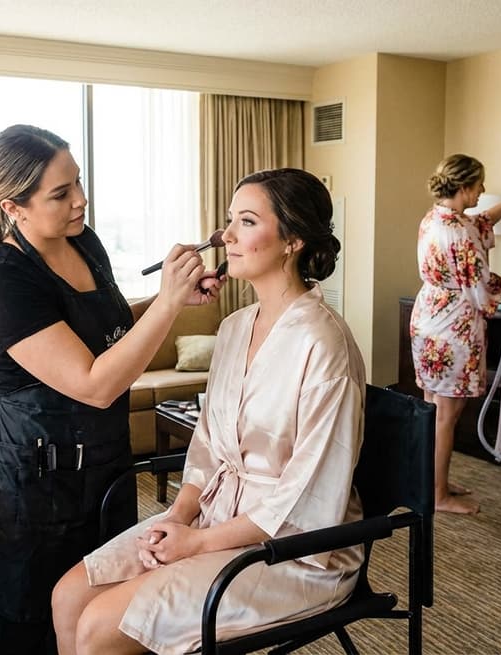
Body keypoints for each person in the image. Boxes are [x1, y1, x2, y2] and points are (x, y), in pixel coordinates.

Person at [51, 168, 366, 655]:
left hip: (292, 549)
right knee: (69, 596)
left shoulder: (324, 344)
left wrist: (197, 543)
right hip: (216, 515)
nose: (225, 236)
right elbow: (207, 445)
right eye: (229, 220)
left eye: (246, 221)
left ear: (293, 240)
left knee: (97, 628)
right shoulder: (236, 327)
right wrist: (178, 517)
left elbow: (308, 496)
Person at [0, 124, 222, 653]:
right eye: (61, 193)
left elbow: (108, 330)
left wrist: (171, 299)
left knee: (107, 611)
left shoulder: (83, 241)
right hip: (32, 478)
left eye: (79, 182)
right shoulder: (4, 281)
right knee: (29, 624)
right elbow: (95, 383)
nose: (81, 200)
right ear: (13, 208)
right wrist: (167, 304)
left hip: (104, 462)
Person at [410, 154, 501, 514]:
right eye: (479, 184)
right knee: (446, 416)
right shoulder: (458, 233)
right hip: (451, 326)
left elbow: (482, 222)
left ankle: (432, 481)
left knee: (432, 409)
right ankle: (438, 495)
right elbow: (485, 285)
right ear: (465, 186)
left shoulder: (438, 218)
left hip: (429, 320)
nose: (483, 190)